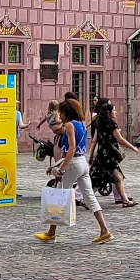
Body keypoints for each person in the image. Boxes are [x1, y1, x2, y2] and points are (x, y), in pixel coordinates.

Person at [36, 96, 113, 244]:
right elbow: (64, 136)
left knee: (60, 194)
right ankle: (104, 230)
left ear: (67, 112)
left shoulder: (70, 125)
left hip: (72, 163)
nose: (60, 115)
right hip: (82, 162)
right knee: (89, 196)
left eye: (62, 113)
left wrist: (62, 168)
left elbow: (71, 148)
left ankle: (51, 233)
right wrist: (57, 164)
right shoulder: (81, 124)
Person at [89, 98, 140, 207]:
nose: (115, 112)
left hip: (102, 155)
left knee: (115, 178)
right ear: (108, 112)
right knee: (101, 179)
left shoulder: (99, 124)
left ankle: (125, 200)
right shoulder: (111, 125)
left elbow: (94, 140)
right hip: (109, 156)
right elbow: (120, 139)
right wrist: (133, 148)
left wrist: (91, 155)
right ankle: (86, 200)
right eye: (114, 110)